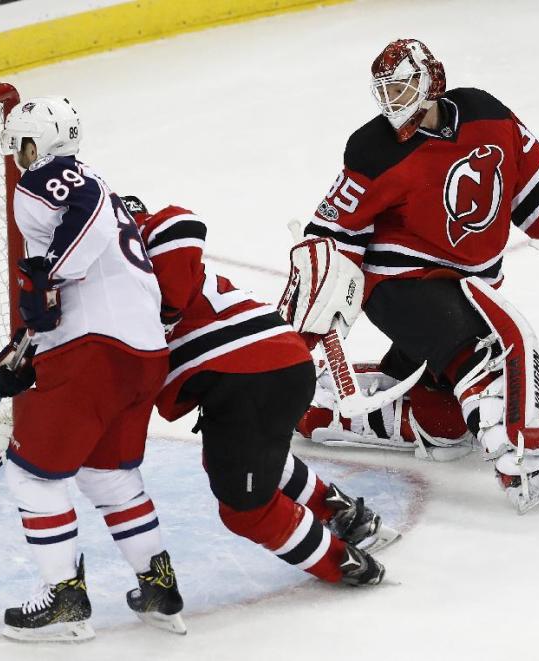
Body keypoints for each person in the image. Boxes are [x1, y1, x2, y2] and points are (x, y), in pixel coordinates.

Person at [281, 39, 539, 513]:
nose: (393, 102)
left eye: (403, 87)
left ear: (432, 81)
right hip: (400, 282)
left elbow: (535, 186)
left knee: (446, 423)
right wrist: (313, 301)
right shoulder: (374, 151)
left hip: (467, 284)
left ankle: (315, 409)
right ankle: (518, 455)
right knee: (482, 351)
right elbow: (332, 231)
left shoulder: (486, 114)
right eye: (384, 92)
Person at [0, 96, 185, 641]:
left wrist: (45, 277)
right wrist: (22, 348)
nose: (19, 154)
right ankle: (158, 585)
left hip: (96, 349)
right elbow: (68, 287)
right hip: (142, 352)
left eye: (25, 142)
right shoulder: (90, 178)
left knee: (31, 476)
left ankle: (65, 600)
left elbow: (86, 220)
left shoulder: (48, 181)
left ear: (45, 143)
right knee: (108, 474)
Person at [121, 194, 388, 587]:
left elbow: (182, 225)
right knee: (238, 458)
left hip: (252, 377)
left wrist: (163, 316)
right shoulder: (123, 279)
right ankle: (343, 513)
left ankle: (346, 564)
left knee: (245, 510)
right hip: (266, 372)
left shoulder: (141, 247)